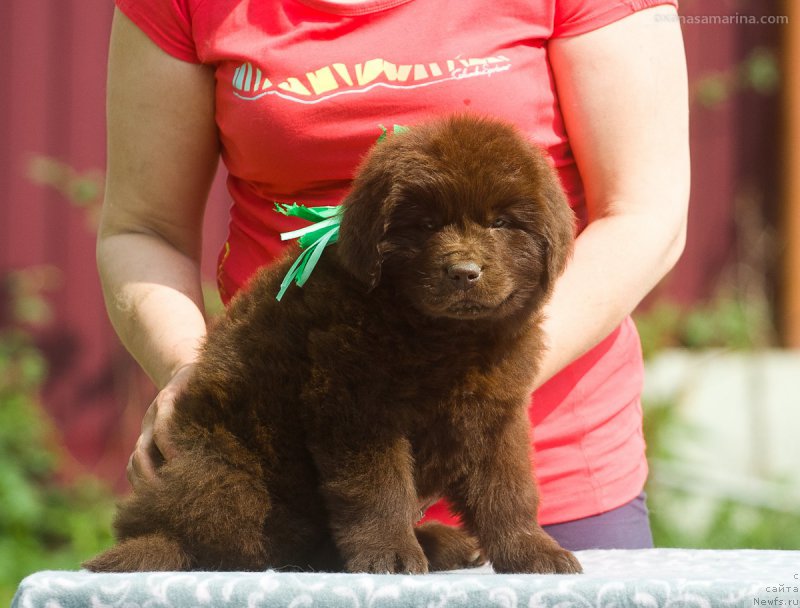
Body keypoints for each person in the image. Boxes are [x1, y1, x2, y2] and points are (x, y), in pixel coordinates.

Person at [99, 0, 689, 552]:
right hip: (288, 464)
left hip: (546, 477)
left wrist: (472, 382)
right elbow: (144, 227)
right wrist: (188, 370)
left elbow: (644, 212)